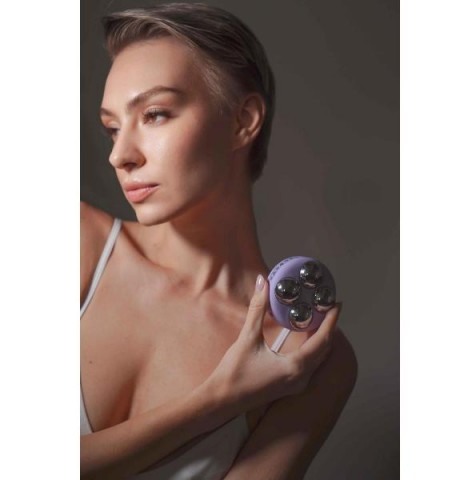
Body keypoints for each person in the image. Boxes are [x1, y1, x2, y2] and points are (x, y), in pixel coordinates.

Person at [80, 3, 358, 479]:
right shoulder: (75, 244)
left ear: (242, 121)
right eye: (112, 128)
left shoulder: (304, 357)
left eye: (155, 114)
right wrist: (220, 398)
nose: (120, 155)